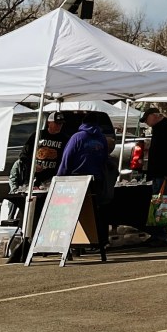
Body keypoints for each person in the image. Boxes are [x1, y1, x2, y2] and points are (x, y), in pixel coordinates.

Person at [58, 111, 114, 262]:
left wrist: (60, 178)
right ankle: (99, 242)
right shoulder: (102, 138)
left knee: (72, 215)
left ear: (83, 123)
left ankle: (74, 246)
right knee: (95, 214)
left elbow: (67, 159)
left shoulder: (77, 137)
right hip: (96, 181)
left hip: (77, 181)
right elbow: (104, 159)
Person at [142, 108, 167, 248]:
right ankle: (156, 234)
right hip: (160, 171)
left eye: (147, 119)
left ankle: (161, 235)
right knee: (159, 202)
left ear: (154, 116)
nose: (147, 123)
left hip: (163, 172)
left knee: (163, 203)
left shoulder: (165, 127)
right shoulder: (161, 127)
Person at [15, 111, 77, 189]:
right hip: (34, 178)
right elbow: (24, 155)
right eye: (56, 123)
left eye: (61, 124)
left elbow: (66, 159)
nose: (59, 126)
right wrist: (32, 166)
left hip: (51, 178)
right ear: (49, 123)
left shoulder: (64, 139)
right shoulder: (38, 135)